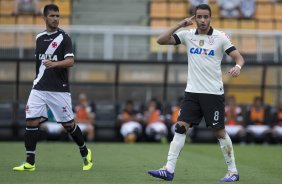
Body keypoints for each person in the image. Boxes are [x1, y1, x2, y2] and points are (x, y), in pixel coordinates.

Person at [148, 4, 245, 182]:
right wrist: (179, 25)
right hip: (192, 92)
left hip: (213, 94)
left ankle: (233, 172)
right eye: (199, 17)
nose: (202, 20)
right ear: (194, 18)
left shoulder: (220, 37)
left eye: (205, 17)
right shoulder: (187, 35)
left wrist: (238, 67)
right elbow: (160, 40)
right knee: (180, 127)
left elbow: (239, 57)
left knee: (219, 132)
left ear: (210, 18)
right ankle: (168, 169)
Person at [13, 4, 93, 171]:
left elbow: (70, 61)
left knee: (68, 125)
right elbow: (40, 64)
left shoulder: (64, 38)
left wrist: (55, 64)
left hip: (59, 89)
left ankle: (84, 150)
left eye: (58, 16)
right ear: (44, 18)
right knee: (31, 120)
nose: (56, 19)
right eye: (52, 16)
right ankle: (30, 162)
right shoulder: (39, 38)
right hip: (39, 87)